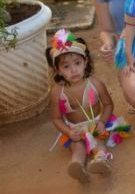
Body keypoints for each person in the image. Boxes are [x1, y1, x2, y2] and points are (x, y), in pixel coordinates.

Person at [47, 29, 128, 182]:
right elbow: (56, 118)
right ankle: (76, 166)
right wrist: (68, 132)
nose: (73, 70)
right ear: (58, 70)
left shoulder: (95, 84)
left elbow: (108, 104)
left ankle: (100, 161)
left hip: (96, 124)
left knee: (98, 144)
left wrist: (102, 122)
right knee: (77, 148)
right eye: (66, 66)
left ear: (85, 62)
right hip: (75, 129)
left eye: (77, 63)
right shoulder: (57, 92)